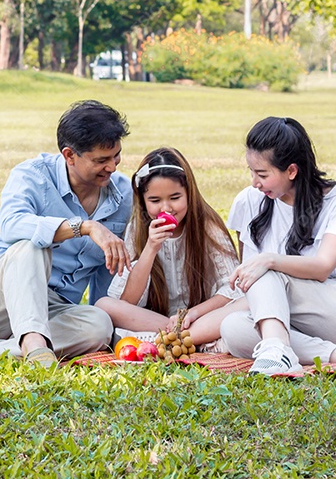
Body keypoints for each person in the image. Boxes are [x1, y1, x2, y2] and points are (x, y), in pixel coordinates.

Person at [0, 100, 133, 365]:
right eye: (101, 160)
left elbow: (108, 270)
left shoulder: (123, 194)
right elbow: (12, 225)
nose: (112, 167)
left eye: (116, 156)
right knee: (31, 245)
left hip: (54, 310)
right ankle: (32, 342)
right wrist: (85, 227)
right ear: (69, 155)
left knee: (99, 326)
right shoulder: (31, 175)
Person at [219, 117, 336, 375]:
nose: (255, 181)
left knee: (265, 272)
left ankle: (277, 346)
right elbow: (251, 293)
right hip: (295, 321)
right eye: (251, 171)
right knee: (232, 328)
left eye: (262, 174)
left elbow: (322, 267)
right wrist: (188, 327)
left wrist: (269, 260)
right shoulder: (249, 201)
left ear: (291, 171)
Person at [95, 147, 244, 349]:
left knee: (247, 303)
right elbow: (127, 301)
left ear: (189, 194)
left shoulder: (206, 226)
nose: (166, 209)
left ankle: (166, 340)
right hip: (156, 320)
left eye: (175, 198)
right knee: (104, 305)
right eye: (155, 201)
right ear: (143, 201)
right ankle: (184, 339)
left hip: (200, 317)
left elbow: (232, 288)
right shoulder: (138, 229)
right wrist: (150, 248)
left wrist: (192, 314)